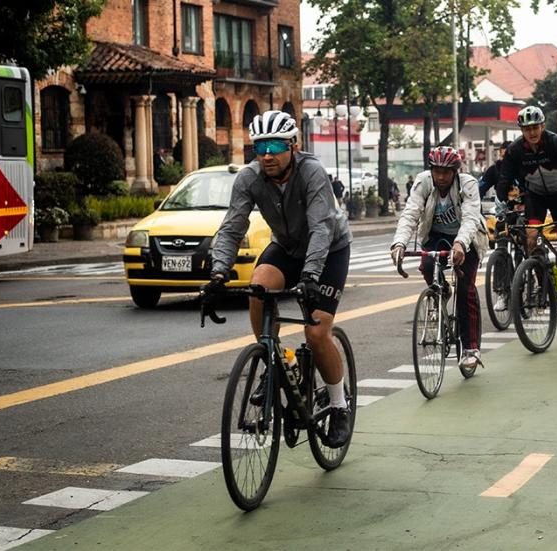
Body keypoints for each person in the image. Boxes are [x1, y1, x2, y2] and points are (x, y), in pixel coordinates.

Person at [204, 110, 353, 447]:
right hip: (286, 246)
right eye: (260, 147)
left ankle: (339, 404)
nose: (267, 154)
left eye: (275, 145)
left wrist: (311, 276)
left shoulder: (311, 172)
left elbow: (321, 228)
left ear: (293, 145)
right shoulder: (249, 178)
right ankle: (273, 360)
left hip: (329, 249)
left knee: (316, 333)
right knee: (258, 286)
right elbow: (232, 227)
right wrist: (217, 274)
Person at [390, 146, 486, 371]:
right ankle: (442, 290)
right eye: (437, 171)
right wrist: (399, 243)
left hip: (467, 239)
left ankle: (471, 348)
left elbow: (471, 218)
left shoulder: (468, 184)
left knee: (465, 287)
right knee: (426, 266)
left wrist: (461, 243)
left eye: (446, 172)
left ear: (455, 171)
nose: (441, 177)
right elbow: (411, 213)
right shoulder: (423, 182)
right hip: (435, 236)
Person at [497, 105, 557, 297]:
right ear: (521, 130)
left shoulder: (556, 143)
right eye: (527, 129)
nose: (532, 132)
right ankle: (543, 282)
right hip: (535, 196)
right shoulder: (516, 150)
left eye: (535, 127)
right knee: (530, 239)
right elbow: (504, 179)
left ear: (543, 126)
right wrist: (503, 203)